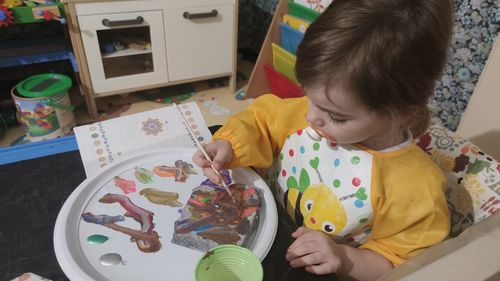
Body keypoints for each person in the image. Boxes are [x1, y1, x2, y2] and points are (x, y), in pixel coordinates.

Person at [193, 0, 453, 280]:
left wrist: (343, 257)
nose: (311, 116)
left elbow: (397, 262)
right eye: (309, 96)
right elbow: (262, 122)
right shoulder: (314, 112)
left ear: (400, 112)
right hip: (266, 221)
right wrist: (229, 145)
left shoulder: (415, 187)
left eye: (337, 117)